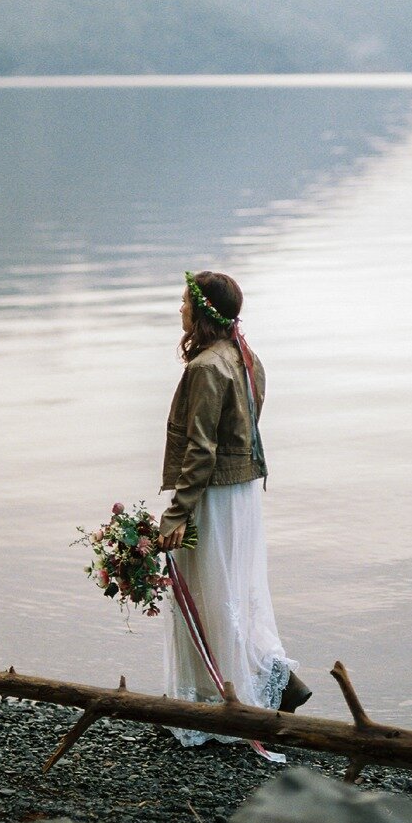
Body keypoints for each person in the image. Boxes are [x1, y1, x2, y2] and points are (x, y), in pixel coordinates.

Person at [155, 269, 311, 738]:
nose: (180, 309)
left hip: (214, 496)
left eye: (185, 302)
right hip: (241, 492)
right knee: (235, 591)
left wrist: (177, 512)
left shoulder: (205, 367)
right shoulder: (246, 358)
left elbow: (201, 448)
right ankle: (273, 679)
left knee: (207, 594)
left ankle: (217, 703)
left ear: (203, 312)